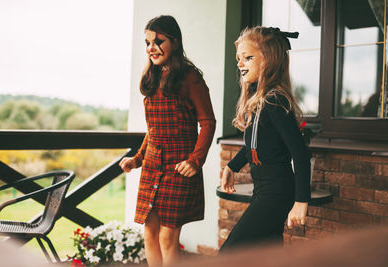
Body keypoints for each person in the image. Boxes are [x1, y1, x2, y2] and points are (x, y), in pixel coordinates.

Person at [119, 15, 216, 267]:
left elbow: (208, 122)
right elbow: (153, 129)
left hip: (179, 167)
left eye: (158, 41)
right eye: (147, 42)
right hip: (152, 166)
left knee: (167, 237)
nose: (151, 47)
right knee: (149, 234)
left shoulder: (190, 77)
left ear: (174, 41)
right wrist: (138, 159)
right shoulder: (151, 78)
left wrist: (196, 161)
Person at [219, 26, 311, 251]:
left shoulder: (275, 101)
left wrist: (301, 202)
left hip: (276, 192)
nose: (240, 64)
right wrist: (232, 166)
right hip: (264, 189)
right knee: (268, 252)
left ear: (269, 60)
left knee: (229, 254)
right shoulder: (259, 101)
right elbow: (254, 144)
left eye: (248, 57)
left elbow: (300, 154)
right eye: (239, 58)